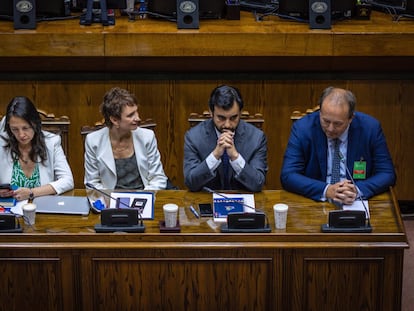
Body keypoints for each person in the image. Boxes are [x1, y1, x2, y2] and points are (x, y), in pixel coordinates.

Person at [280, 86, 396, 205]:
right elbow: (288, 175)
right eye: (326, 121)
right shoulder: (303, 129)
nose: (330, 129)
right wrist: (327, 190)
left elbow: (387, 174)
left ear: (351, 118)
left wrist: (357, 190)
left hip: (355, 202)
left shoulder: (370, 128)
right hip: (316, 199)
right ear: (320, 113)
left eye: (337, 124)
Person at [184, 85, 268, 192]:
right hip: (207, 201)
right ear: (211, 112)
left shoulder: (257, 138)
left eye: (233, 118)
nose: (227, 125)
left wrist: (235, 157)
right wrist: (215, 156)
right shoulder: (193, 137)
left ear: (240, 113)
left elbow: (258, 184)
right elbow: (191, 183)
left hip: (245, 202)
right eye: (221, 118)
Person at [84, 87, 167, 190]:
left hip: (143, 197)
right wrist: (112, 201)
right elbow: (92, 183)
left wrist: (143, 199)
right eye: (131, 115)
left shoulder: (147, 137)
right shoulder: (93, 141)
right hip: (110, 200)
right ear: (115, 120)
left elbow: (158, 178)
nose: (138, 118)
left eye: (136, 112)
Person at [0, 96, 74, 201]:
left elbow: (68, 181)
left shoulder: (51, 142)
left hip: (43, 209)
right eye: (15, 129)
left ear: (34, 123)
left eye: (25, 128)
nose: (21, 135)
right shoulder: (2, 144)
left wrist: (31, 193)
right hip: (10, 211)